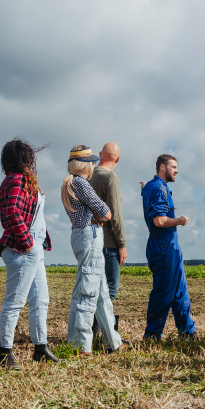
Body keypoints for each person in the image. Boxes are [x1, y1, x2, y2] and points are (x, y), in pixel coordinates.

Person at [0, 139, 58, 370]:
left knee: (41, 299)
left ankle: (40, 348)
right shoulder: (18, 179)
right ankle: (5, 354)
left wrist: (36, 244)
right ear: (25, 158)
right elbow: (12, 212)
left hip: (32, 249)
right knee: (15, 302)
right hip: (23, 249)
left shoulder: (16, 179)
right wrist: (28, 242)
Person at [62, 145, 122, 354]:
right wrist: (100, 214)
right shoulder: (81, 184)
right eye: (92, 161)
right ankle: (81, 345)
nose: (95, 164)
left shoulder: (71, 183)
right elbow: (106, 212)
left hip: (81, 235)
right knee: (87, 292)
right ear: (84, 164)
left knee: (101, 293)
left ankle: (112, 343)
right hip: (91, 236)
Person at [141, 154, 197, 340]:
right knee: (163, 293)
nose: (177, 170)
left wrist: (144, 188)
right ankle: (152, 335)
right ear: (162, 168)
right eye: (173, 166)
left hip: (170, 246)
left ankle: (187, 333)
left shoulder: (152, 186)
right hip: (163, 246)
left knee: (180, 290)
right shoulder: (158, 188)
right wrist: (180, 221)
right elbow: (159, 220)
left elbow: (148, 196)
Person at [89, 142, 128, 334]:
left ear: (99, 155)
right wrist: (122, 244)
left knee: (95, 288)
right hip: (109, 243)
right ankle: (97, 332)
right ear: (118, 159)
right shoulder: (110, 178)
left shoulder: (88, 177)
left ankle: (96, 331)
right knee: (110, 289)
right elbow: (116, 214)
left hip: (91, 240)